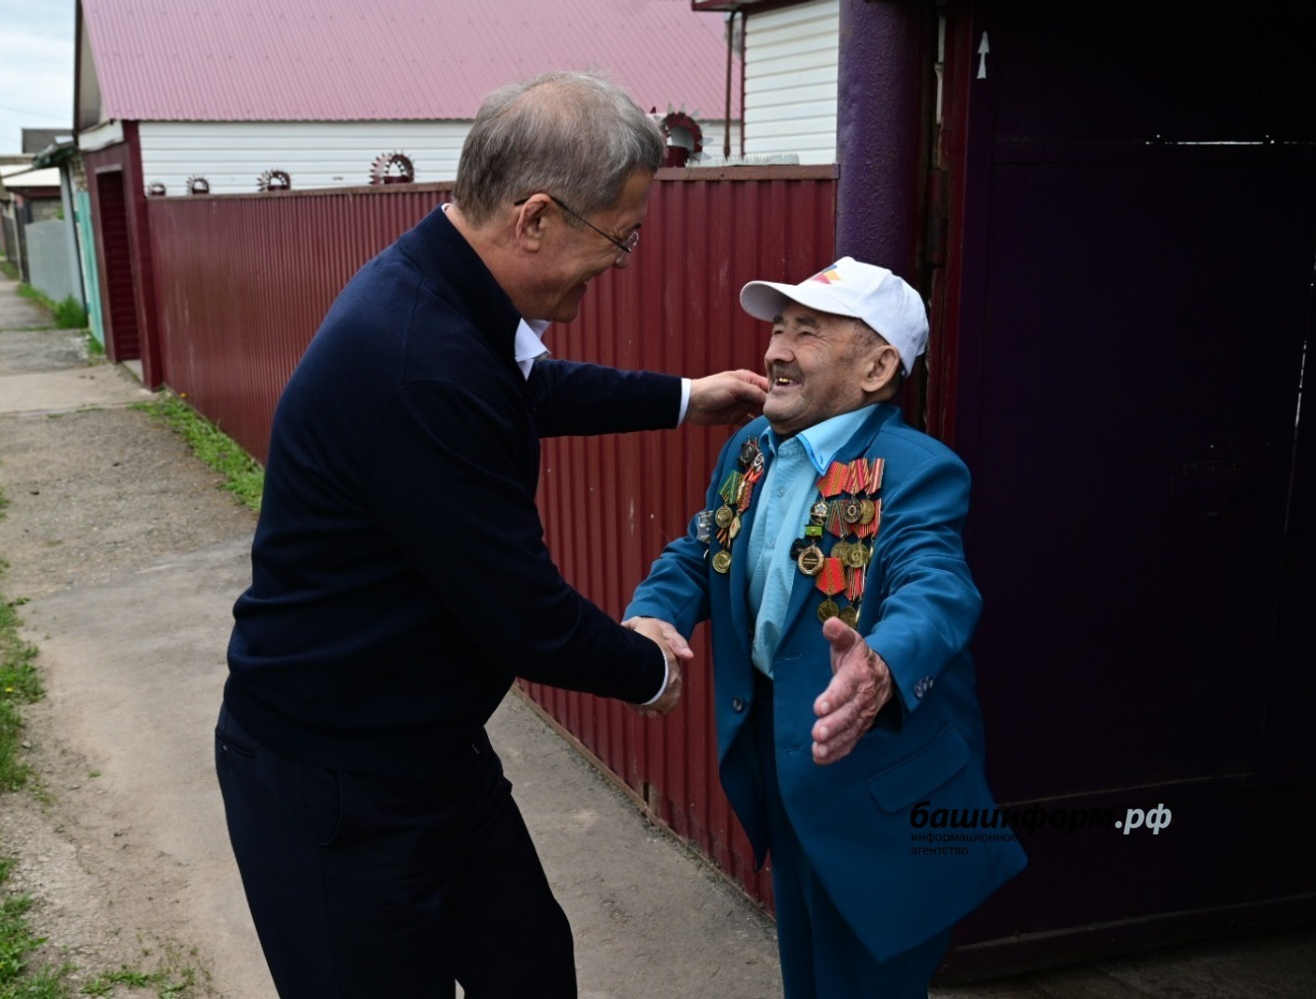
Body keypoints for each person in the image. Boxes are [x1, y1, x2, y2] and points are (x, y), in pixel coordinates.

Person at [215, 71, 768, 998]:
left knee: (530, 965)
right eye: (619, 237)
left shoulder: (450, 288)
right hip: (332, 775)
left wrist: (684, 399)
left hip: (430, 746)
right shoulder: (415, 361)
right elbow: (524, 616)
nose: (622, 261)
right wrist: (651, 669)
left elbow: (523, 391)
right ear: (537, 218)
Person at [625, 257, 1027, 998]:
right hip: (790, 772)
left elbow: (936, 586)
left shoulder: (918, 468)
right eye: (778, 328)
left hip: (882, 800)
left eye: (806, 332)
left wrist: (882, 662)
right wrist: (655, 610)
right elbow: (700, 547)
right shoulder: (750, 449)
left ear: (877, 367)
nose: (776, 349)